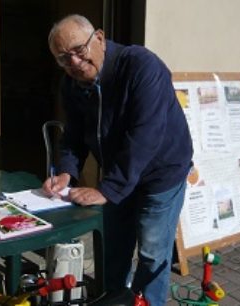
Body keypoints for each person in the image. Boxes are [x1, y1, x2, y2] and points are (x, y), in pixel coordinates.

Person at [43, 14, 193, 306]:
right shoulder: (72, 84)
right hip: (118, 173)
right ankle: (114, 299)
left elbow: (145, 135)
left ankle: (148, 302)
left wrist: (107, 190)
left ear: (98, 38)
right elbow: (74, 134)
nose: (73, 62)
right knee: (113, 246)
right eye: (63, 58)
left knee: (151, 252)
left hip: (160, 173)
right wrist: (66, 173)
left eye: (78, 50)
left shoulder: (141, 65)